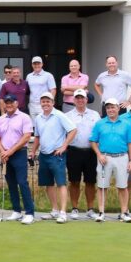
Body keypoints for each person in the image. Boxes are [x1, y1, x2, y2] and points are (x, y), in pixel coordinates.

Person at [29, 91, 77, 223]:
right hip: (43, 155)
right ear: (41, 103)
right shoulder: (38, 118)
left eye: (48, 101)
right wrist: (33, 151)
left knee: (61, 183)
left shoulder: (59, 115)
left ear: (53, 103)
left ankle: (63, 212)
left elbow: (73, 130)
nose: (45, 103)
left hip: (57, 155)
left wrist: (64, 146)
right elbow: (37, 136)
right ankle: (54, 210)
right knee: (48, 184)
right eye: (43, 101)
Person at [89, 98, 131, 222]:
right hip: (104, 158)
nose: (110, 110)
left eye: (113, 107)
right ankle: (101, 212)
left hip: (122, 157)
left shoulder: (126, 124)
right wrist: (99, 154)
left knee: (122, 186)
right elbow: (93, 141)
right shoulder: (100, 123)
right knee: (102, 186)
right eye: (108, 107)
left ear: (118, 108)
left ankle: (124, 213)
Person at [0, 95, 36, 224]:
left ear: (16, 103)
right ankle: (16, 211)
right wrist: (2, 151)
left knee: (22, 182)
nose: (9, 105)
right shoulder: (0, 119)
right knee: (11, 183)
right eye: (7, 103)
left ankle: (29, 213)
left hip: (19, 153)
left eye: (11, 102)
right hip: (5, 154)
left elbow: (26, 136)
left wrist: (10, 151)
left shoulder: (24, 117)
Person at [65, 89, 100, 219]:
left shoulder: (95, 114)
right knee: (74, 181)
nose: (80, 100)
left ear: (86, 99)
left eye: (82, 98)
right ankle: (74, 209)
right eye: (77, 98)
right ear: (74, 100)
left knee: (90, 181)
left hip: (91, 152)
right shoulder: (68, 115)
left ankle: (90, 209)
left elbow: (99, 133)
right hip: (74, 151)